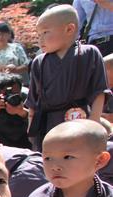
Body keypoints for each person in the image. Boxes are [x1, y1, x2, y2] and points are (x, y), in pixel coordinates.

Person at [26, 5, 108, 151]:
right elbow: (33, 103)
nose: (40, 39)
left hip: (81, 120)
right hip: (48, 125)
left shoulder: (89, 53)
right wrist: (32, 133)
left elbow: (99, 92)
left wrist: (94, 125)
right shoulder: (39, 62)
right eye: (38, 35)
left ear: (69, 29)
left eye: (45, 32)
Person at [0, 75, 30, 149]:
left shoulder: (26, 99)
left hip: (25, 146)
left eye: (15, 93)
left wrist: (23, 113)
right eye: (7, 94)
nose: (11, 97)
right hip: (0, 147)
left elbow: (38, 124)